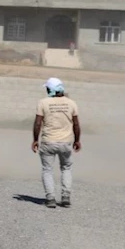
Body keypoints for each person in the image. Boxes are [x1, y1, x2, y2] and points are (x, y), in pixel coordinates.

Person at [32, 77, 81, 209]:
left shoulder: (43, 102)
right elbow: (76, 124)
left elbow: (37, 123)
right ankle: (65, 197)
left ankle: (50, 198)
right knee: (66, 168)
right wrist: (77, 140)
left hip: (48, 142)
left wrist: (35, 140)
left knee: (47, 170)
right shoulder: (71, 103)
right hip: (66, 143)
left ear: (50, 89)